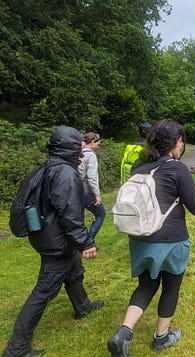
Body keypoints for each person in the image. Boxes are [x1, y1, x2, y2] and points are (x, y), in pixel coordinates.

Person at [107, 119, 195, 357]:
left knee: (146, 285)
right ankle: (161, 337)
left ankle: (124, 333)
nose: (182, 147)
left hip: (140, 238)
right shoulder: (177, 168)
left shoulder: (139, 167)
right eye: (181, 142)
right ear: (174, 143)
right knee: (170, 288)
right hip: (171, 241)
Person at [2, 126, 104, 357]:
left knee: (74, 270)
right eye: (78, 144)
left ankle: (83, 307)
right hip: (57, 242)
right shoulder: (65, 173)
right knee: (44, 292)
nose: (82, 147)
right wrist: (85, 242)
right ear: (68, 147)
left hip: (49, 236)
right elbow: (69, 212)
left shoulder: (51, 166)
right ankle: (16, 350)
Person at [78, 132, 106, 240]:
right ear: (93, 142)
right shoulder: (91, 155)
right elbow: (92, 177)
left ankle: (78, 243)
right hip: (87, 192)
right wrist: (97, 195)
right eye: (98, 143)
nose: (98, 145)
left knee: (79, 220)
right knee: (101, 214)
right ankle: (89, 241)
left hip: (76, 191)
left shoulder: (77, 153)